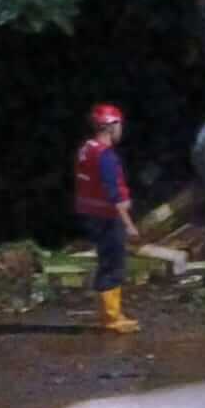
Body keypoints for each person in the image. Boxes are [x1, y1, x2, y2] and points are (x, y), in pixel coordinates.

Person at [73, 102, 140, 333]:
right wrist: (129, 224)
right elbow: (113, 194)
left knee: (105, 261)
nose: (121, 129)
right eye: (119, 124)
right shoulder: (106, 156)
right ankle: (111, 318)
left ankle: (109, 314)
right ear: (111, 126)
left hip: (90, 214)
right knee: (113, 264)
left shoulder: (86, 149)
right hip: (107, 217)